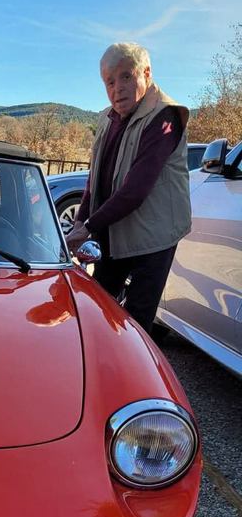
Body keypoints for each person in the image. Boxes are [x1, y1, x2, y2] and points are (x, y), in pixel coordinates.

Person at [65, 42, 192, 335]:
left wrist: (89, 226)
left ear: (146, 73)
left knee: (136, 326)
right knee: (100, 311)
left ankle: (132, 364)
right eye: (109, 82)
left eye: (126, 76)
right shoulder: (107, 118)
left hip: (154, 238)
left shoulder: (165, 117)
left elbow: (135, 190)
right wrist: (80, 222)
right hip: (115, 233)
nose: (117, 89)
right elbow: (94, 179)